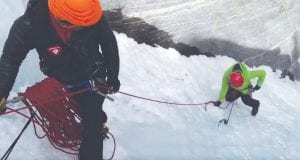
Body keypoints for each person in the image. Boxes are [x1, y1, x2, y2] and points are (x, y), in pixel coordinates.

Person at [0, 0, 120, 159]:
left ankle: (96, 130)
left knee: (92, 120)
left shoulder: (88, 14)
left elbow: (108, 42)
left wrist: (113, 75)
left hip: (92, 76)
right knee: (84, 113)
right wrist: (1, 92)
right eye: (79, 26)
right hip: (59, 79)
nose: (85, 28)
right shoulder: (30, 26)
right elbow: (10, 60)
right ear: (62, 19)